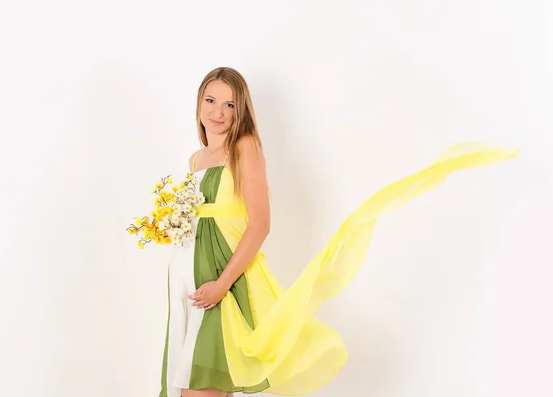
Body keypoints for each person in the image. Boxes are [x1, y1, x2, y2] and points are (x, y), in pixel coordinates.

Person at [158, 67, 519, 397]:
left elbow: (260, 225)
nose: (217, 112)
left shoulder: (245, 147)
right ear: (199, 101)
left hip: (226, 287)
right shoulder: (196, 159)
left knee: (202, 390)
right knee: (194, 386)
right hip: (190, 284)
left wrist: (222, 284)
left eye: (229, 104)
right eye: (210, 100)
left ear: (242, 111)